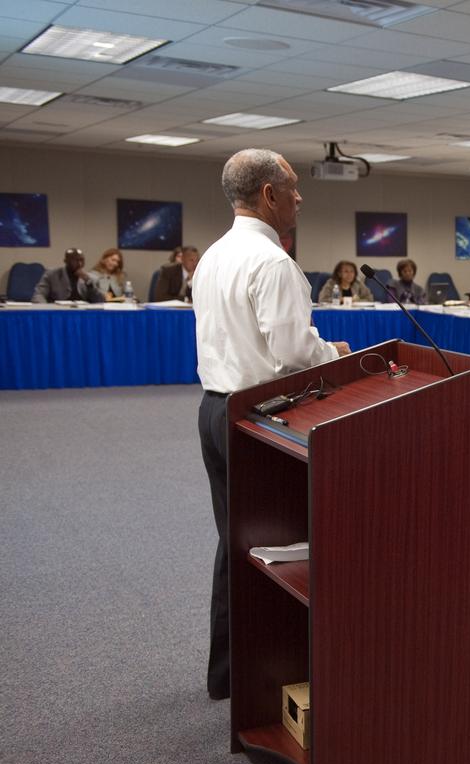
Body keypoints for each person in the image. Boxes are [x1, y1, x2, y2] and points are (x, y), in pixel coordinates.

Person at [193, 148, 351, 701]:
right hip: (261, 418)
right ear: (268, 195)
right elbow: (291, 355)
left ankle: (231, 675)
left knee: (233, 542)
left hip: (216, 408)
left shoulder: (213, 255)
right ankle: (268, 674)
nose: (300, 197)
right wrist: (337, 351)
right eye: (293, 186)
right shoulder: (273, 262)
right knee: (273, 550)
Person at [32, 248, 104, 303]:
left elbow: (100, 301)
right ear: (65, 261)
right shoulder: (52, 274)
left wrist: (88, 283)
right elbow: (38, 295)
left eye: (82, 260)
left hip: (82, 314)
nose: (80, 264)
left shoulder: (91, 278)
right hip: (58, 312)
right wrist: (47, 310)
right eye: (75, 260)